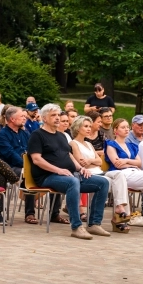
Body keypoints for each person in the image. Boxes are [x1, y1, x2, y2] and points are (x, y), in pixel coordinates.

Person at [28, 103, 110, 240]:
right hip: (48, 176)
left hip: (69, 175)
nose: (57, 118)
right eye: (53, 115)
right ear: (44, 118)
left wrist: (80, 168)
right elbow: (36, 159)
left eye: (58, 115)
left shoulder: (61, 136)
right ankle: (76, 226)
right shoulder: (37, 135)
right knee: (73, 182)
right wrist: (58, 170)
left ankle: (94, 223)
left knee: (103, 182)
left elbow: (69, 156)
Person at [70, 116, 131, 232]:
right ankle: (104, 221)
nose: (89, 128)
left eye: (89, 126)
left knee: (119, 175)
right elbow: (80, 162)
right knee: (109, 182)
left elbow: (99, 161)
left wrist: (90, 161)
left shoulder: (89, 144)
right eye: (86, 126)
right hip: (88, 175)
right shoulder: (73, 143)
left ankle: (120, 207)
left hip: (99, 171)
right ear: (78, 129)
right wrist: (92, 161)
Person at [0, 106, 40, 224]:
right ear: (12, 119)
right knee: (28, 173)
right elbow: (10, 154)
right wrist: (26, 164)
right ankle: (30, 213)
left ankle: (54, 213)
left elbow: (31, 150)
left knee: (45, 173)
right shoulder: (2, 135)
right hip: (9, 167)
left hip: (25, 165)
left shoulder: (25, 133)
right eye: (22, 116)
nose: (24, 118)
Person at [124, 114, 143, 216]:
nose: (142, 127)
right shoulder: (127, 138)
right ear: (133, 125)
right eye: (140, 125)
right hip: (132, 166)